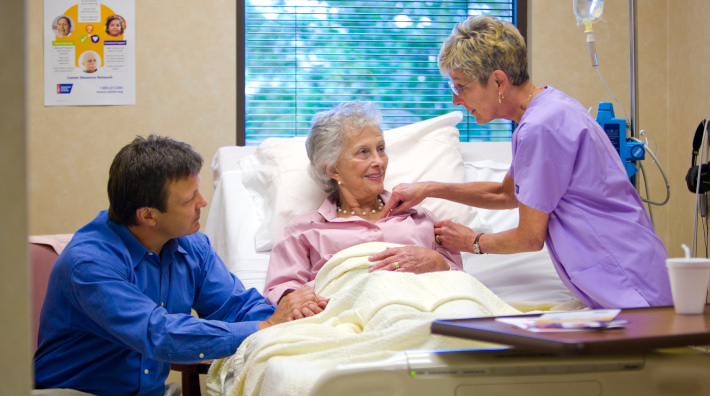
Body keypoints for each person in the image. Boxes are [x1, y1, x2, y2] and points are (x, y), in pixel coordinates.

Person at [381, 16, 672, 310]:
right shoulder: (545, 112)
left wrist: (473, 242)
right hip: (626, 273)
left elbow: (530, 238)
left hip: (628, 281)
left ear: (498, 81)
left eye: (460, 87)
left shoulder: (541, 127)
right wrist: (428, 188)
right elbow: (506, 194)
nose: (456, 100)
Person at [33, 135, 327, 396]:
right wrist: (265, 326)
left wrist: (293, 319)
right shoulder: (89, 264)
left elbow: (235, 307)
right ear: (148, 215)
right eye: (189, 199)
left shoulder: (190, 245)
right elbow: (157, 333)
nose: (203, 202)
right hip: (72, 391)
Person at [263, 100, 464, 304]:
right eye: (363, 152)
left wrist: (438, 262)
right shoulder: (303, 231)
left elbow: (461, 283)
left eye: (381, 148)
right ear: (332, 169)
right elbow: (281, 294)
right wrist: (301, 300)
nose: (379, 161)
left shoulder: (419, 218)